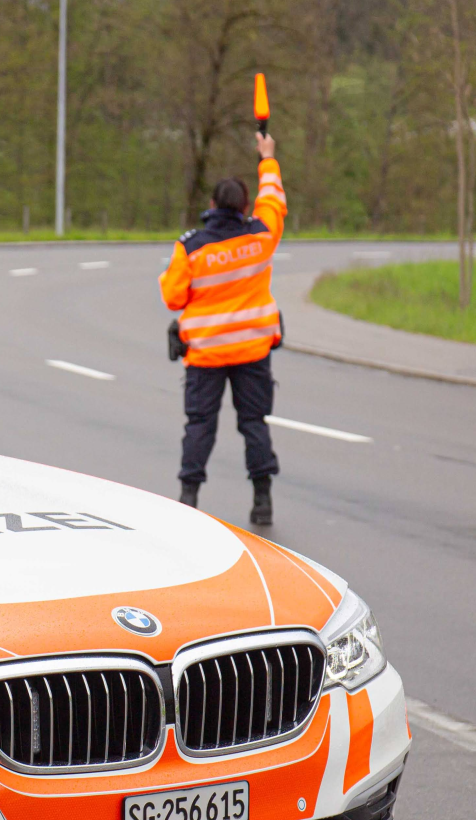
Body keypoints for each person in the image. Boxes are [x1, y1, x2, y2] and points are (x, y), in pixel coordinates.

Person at [159, 132, 286, 525]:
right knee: (253, 424)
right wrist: (267, 157)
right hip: (252, 352)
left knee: (200, 425)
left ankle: (188, 497)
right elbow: (273, 199)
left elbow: (173, 298)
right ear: (245, 207)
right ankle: (262, 500)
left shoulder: (191, 247)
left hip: (206, 355)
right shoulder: (261, 236)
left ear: (211, 206)